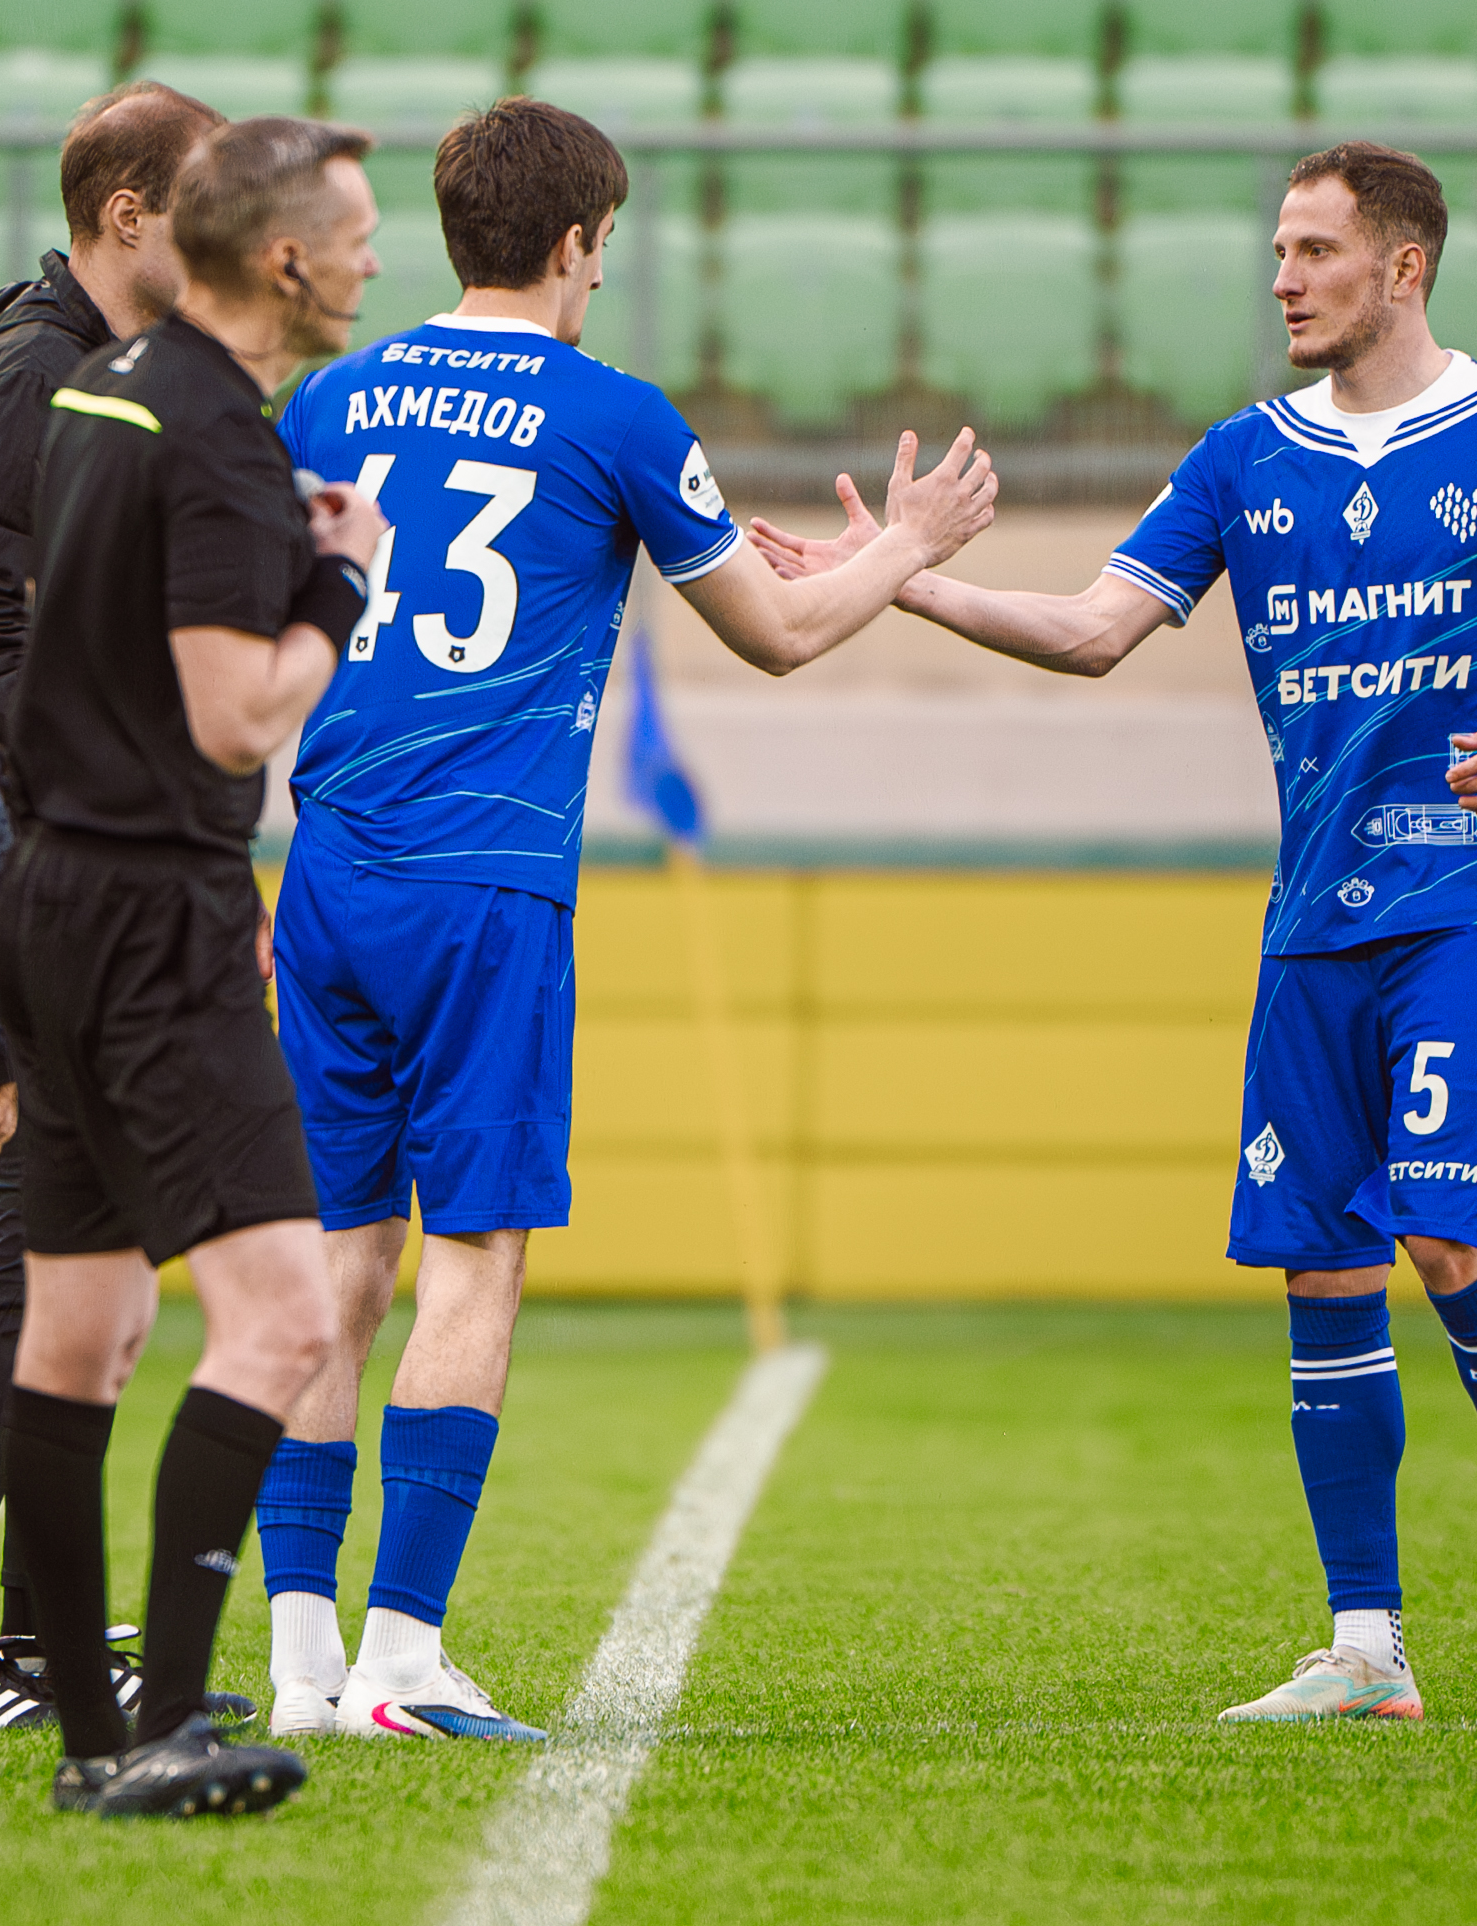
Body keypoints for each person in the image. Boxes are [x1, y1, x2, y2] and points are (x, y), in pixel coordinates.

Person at [752, 141, 1477, 1723]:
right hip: (1313, 922)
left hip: (1475, 896)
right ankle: (1366, 1647)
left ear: (1404, 266)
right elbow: (1092, 630)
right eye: (1279, 250)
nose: (1283, 277)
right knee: (1323, 1267)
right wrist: (902, 581)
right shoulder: (1246, 457)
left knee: (1445, 1226)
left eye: (1316, 250)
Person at [258, 95, 997, 1742]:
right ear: (578, 242)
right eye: (602, 248)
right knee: (476, 1253)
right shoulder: (613, 414)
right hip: (487, 882)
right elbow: (780, 634)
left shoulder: (328, 397)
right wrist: (913, 549)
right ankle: (401, 1660)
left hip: (326, 867)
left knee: (332, 1259)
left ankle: (301, 1660)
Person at [0, 115, 388, 1815]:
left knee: (81, 1329)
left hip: (51, 898)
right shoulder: (221, 429)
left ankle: (95, 1737)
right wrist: (339, 583)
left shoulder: (103, 385)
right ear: (285, 261)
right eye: (355, 234)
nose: (373, 259)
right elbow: (235, 713)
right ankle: (158, 1720)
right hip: (158, 914)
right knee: (287, 1318)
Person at [0, 79, 228, 1732]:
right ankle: (21, 1655)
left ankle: (40, 1642)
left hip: (58, 850)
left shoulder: (95, 369)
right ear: (126, 213)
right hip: (28, 856)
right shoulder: (39, 376)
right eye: (198, 202)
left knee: (66, 1257)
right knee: (31, 1257)